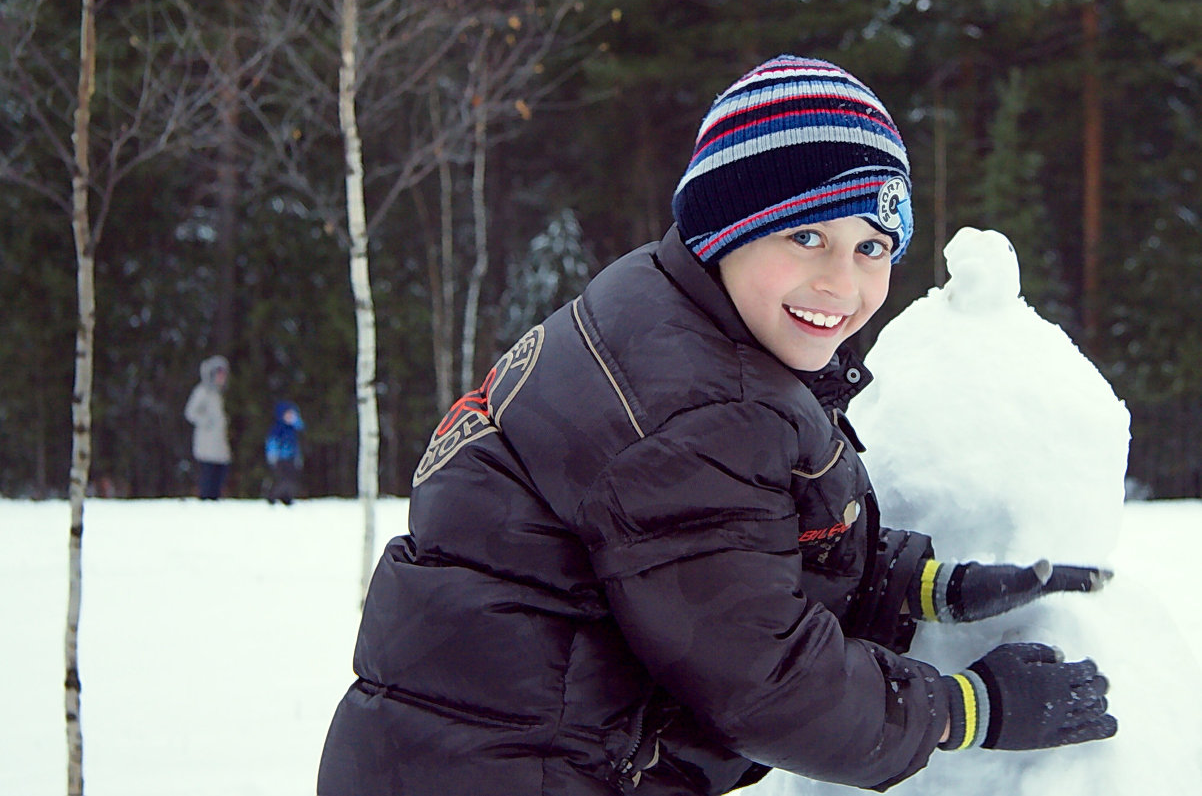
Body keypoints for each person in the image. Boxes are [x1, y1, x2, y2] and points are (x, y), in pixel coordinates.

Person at [317, 56, 1116, 796]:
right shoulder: (695, 405)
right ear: (725, 226)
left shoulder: (675, 325)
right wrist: (967, 707)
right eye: (808, 235)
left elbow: (738, 549)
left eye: (873, 247)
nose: (843, 283)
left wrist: (919, 584)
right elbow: (764, 679)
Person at [184, 355, 231, 500]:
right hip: (207, 443)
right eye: (218, 374)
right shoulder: (203, 391)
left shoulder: (218, 394)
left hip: (219, 443)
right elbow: (190, 412)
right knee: (208, 475)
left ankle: (214, 499)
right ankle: (206, 500)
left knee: (219, 473)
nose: (221, 378)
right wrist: (206, 422)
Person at [264, 400, 304, 505]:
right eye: (288, 414)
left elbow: (297, 442)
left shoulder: (292, 429)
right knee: (280, 479)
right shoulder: (277, 429)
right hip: (279, 458)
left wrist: (298, 457)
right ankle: (272, 496)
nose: (290, 417)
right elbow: (272, 443)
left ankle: (287, 496)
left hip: (291, 458)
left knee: (291, 479)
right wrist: (272, 455)